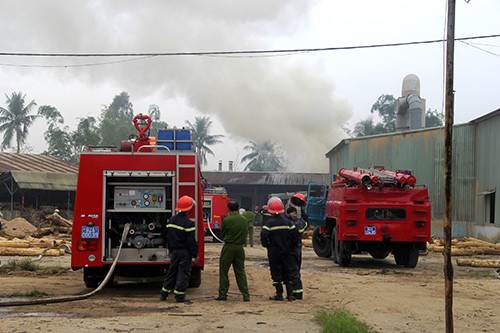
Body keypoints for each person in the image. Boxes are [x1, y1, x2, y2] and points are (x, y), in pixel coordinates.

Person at [161, 196, 199, 303]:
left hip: (174, 251)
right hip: (184, 252)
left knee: (172, 271)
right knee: (183, 273)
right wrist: (195, 255)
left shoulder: (171, 220)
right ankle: (179, 296)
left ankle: (164, 293)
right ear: (189, 209)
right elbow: (191, 242)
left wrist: (170, 249)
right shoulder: (188, 223)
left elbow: (166, 236)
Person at [261, 199, 300, 301]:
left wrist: (267, 245)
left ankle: (279, 294)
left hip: (274, 252)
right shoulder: (288, 222)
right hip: (287, 252)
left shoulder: (269, 223)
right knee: (287, 272)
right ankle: (290, 295)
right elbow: (296, 235)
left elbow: (264, 235)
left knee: (276, 272)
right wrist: (292, 245)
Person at [216, 201, 250, 302]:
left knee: (224, 272)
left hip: (229, 247)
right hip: (240, 248)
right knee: (240, 272)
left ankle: (223, 294)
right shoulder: (244, 220)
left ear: (228, 209)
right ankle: (246, 295)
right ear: (238, 208)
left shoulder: (227, 220)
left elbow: (222, 233)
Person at [285, 206, 308, 300]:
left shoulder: (287, 223)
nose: (296, 215)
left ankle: (295, 293)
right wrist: (303, 211)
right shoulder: (300, 223)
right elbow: (307, 223)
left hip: (290, 250)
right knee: (296, 271)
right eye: (295, 213)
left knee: (292, 271)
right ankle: (297, 292)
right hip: (298, 250)